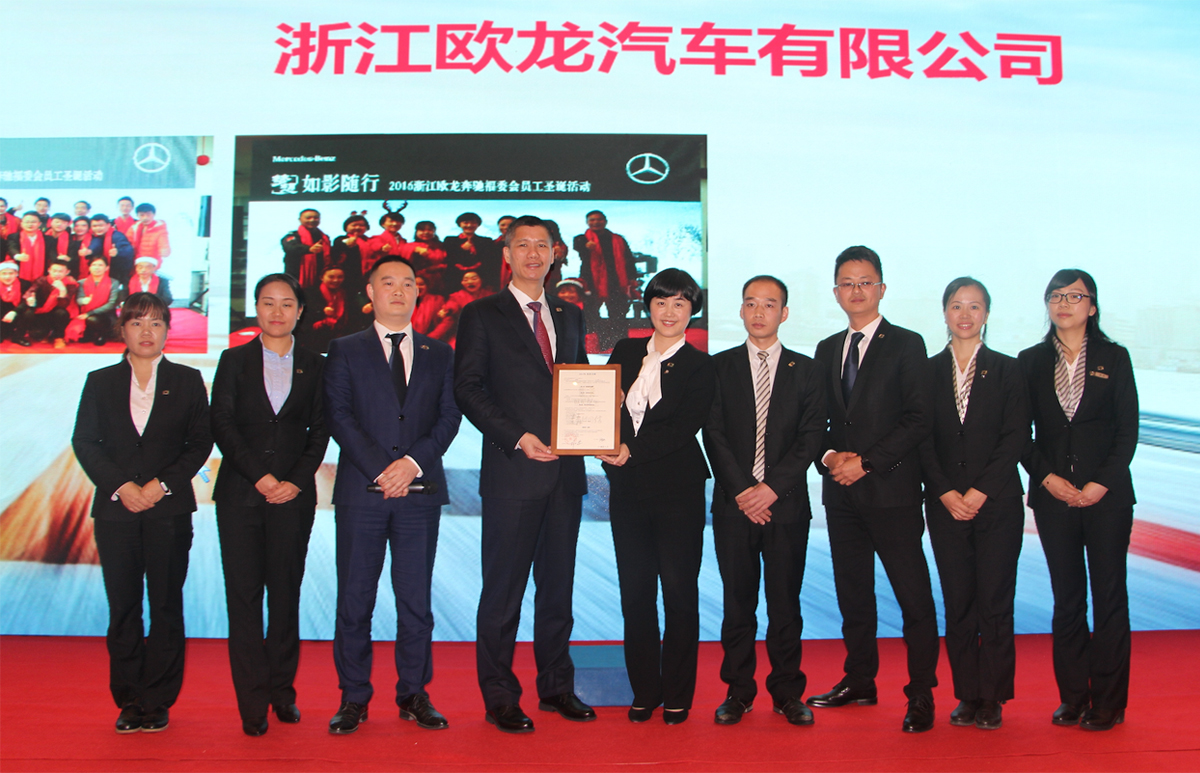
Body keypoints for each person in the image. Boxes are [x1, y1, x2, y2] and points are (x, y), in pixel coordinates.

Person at [454, 215, 593, 734]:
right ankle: (500, 696)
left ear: (556, 254)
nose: (533, 254)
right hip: (513, 472)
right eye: (523, 245)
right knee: (503, 594)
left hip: (565, 475)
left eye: (542, 245)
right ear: (507, 254)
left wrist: (603, 408)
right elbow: (467, 388)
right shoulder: (481, 314)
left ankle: (556, 687)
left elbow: (579, 380)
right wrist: (517, 436)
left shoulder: (570, 314)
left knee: (557, 592)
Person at [323, 254, 462, 734]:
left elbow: (449, 417)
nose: (398, 291)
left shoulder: (440, 353)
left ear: (418, 292)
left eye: (408, 283)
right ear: (370, 292)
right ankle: (353, 697)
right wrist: (384, 469)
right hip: (362, 493)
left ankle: (414, 694)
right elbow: (339, 415)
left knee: (415, 602)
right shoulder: (344, 349)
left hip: (419, 494)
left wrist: (411, 464)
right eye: (388, 282)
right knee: (354, 600)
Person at [808, 246, 939, 733]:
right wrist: (829, 458)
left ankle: (921, 693)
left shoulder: (907, 344)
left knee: (913, 597)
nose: (856, 290)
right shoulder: (826, 349)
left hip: (892, 492)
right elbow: (816, 422)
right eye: (847, 282)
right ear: (835, 292)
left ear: (881, 288)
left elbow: (919, 418)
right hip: (841, 496)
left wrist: (866, 463)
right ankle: (860, 680)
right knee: (853, 594)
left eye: (865, 282)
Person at [71, 292, 212, 733]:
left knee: (166, 604)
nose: (146, 332)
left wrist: (160, 485)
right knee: (124, 607)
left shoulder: (188, 380)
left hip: (168, 510)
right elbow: (85, 441)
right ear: (122, 330)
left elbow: (199, 443)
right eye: (136, 323)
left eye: (155, 323)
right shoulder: (100, 381)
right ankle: (130, 699)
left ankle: (158, 699)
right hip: (116, 512)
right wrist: (122, 487)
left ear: (167, 330)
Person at [210, 273, 330, 736]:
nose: (277, 312)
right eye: (267, 302)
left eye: (286, 304)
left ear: (300, 311)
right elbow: (222, 424)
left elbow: (321, 429)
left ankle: (282, 691)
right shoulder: (234, 360)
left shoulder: (316, 364)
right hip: (241, 495)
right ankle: (252, 702)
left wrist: (293, 481)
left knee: (284, 596)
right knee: (243, 599)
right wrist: (260, 477)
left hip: (293, 497)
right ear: (256, 309)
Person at [703, 275, 826, 728]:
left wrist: (770, 489)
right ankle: (738, 692)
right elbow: (713, 433)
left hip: (786, 505)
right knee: (737, 604)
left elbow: (811, 437)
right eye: (751, 303)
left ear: (784, 313)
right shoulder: (718, 367)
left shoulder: (807, 370)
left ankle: (788, 693)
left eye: (769, 304)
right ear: (740, 310)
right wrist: (743, 491)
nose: (759, 312)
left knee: (784, 605)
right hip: (733, 506)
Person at [1019, 269, 1138, 732]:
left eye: (1074, 296)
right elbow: (1020, 435)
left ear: (1092, 306)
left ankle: (1108, 701)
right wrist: (1047, 478)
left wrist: (1100, 484)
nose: (1064, 303)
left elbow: (1127, 430)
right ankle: (1072, 697)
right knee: (1067, 599)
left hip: (1106, 498)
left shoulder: (1114, 357)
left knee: (1109, 596)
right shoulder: (1030, 361)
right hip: (1054, 498)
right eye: (1056, 296)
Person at [599, 268, 714, 725]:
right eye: (661, 301)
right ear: (648, 306)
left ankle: (678, 693)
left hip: (678, 491)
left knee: (680, 595)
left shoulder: (702, 366)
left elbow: (683, 426)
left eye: (680, 303)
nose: (669, 311)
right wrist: (602, 436)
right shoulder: (625, 351)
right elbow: (600, 409)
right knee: (636, 595)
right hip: (627, 491)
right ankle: (645, 690)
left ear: (692, 311)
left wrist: (631, 449)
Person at [918, 277, 1028, 731]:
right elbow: (920, 438)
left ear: (987, 314)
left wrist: (980, 490)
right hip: (945, 505)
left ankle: (993, 696)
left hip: (997, 503)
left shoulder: (1008, 370)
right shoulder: (925, 372)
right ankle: (967, 694)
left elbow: (1016, 436)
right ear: (945, 312)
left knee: (995, 602)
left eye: (975, 306)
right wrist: (945, 491)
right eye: (957, 306)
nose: (965, 315)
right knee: (958, 601)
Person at [572, 210, 638, 351]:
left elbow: (628, 259)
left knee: (618, 315)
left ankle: (621, 346)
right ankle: (595, 346)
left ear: (605, 221)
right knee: (591, 315)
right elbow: (579, 248)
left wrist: (632, 278)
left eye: (599, 219)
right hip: (591, 283)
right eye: (592, 220)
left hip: (616, 282)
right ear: (587, 222)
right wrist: (587, 247)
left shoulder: (618, 239)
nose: (596, 222)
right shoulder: (581, 239)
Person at [17, 259, 78, 347]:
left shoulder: (71, 284)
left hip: (57, 314)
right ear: (49, 270)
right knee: (36, 333)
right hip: (42, 312)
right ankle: (43, 333)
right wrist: (30, 298)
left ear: (67, 272)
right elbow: (31, 291)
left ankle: (59, 337)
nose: (57, 274)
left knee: (61, 312)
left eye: (61, 271)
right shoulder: (42, 280)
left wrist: (62, 290)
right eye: (54, 271)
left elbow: (63, 305)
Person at [66, 257, 123, 345]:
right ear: (89, 268)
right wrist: (83, 301)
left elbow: (111, 304)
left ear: (106, 268)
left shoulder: (114, 282)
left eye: (100, 265)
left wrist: (89, 313)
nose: (97, 268)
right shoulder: (82, 282)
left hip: (106, 314)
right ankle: (89, 333)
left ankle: (101, 334)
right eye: (94, 265)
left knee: (93, 319)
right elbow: (78, 300)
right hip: (86, 312)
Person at [444, 212, 501, 291]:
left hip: (481, 278)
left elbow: (490, 263)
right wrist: (461, 250)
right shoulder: (450, 241)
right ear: (459, 224)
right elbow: (449, 259)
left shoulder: (486, 241)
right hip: (456, 279)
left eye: (473, 223)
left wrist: (490, 282)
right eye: (466, 222)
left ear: (478, 225)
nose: (469, 225)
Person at [282, 209, 331, 287]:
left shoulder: (324, 237)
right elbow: (290, 247)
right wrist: (308, 249)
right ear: (300, 219)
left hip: (320, 276)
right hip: (296, 276)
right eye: (308, 218)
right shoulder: (293, 235)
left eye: (316, 218)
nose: (312, 220)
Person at [86, 215, 135, 285]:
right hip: (100, 271)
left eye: (101, 225)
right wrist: (89, 251)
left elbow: (128, 250)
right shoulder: (94, 237)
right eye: (94, 226)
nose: (98, 228)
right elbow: (95, 246)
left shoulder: (117, 236)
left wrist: (118, 252)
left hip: (117, 274)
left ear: (108, 225)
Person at [330, 214, 370, 293]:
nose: (358, 227)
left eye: (361, 225)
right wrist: (347, 243)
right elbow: (339, 245)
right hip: (349, 278)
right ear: (346, 227)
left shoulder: (371, 241)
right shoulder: (341, 239)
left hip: (368, 277)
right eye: (354, 225)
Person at [7, 212, 50, 282]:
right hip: (19, 276)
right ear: (21, 224)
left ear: (39, 224)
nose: (30, 224)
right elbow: (12, 248)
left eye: (33, 222)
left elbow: (51, 255)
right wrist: (17, 255)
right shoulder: (13, 237)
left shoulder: (48, 239)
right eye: (27, 222)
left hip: (42, 277)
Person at [0, 259, 31, 344]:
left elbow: (26, 301)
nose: (7, 277)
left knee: (29, 312)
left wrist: (14, 312)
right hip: (2, 316)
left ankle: (18, 337)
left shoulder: (25, 284)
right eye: (4, 274)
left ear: (16, 274)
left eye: (11, 273)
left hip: (17, 314)